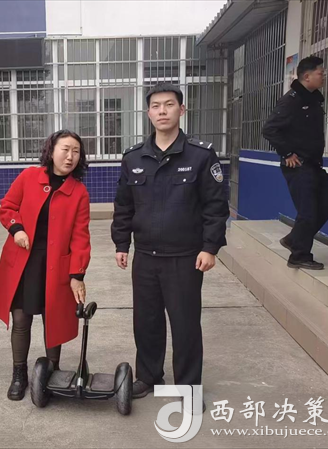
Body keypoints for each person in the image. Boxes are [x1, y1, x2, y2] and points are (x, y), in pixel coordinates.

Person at [111, 83, 229, 411]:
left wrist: (210, 247)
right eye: (156, 106)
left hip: (185, 258)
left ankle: (189, 387)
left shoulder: (200, 155)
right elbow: (124, 205)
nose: (162, 111)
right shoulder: (133, 157)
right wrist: (121, 243)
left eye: (169, 104)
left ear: (182, 110)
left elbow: (215, 206)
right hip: (145, 257)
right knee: (146, 322)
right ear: (148, 113)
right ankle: (149, 377)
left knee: (185, 325)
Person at [0, 130, 91, 401]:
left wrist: (77, 274)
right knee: (21, 320)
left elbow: (81, 235)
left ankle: (52, 372)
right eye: (65, 149)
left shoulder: (79, 192)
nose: (70, 156)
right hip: (24, 261)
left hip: (56, 265)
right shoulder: (28, 177)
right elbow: (7, 207)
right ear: (51, 151)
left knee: (53, 320)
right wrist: (17, 229)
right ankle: (19, 374)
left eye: (76, 151)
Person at [262, 56, 328, 270]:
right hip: (299, 166)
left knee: (327, 206)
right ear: (307, 76)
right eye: (320, 73)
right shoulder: (291, 101)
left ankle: (294, 239)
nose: (324, 76)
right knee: (308, 211)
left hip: (314, 164)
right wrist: (287, 153)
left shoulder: (313, 100)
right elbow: (269, 129)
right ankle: (299, 256)